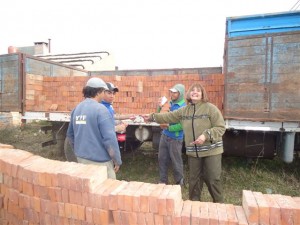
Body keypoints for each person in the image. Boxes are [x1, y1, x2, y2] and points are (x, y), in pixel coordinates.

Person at [143, 83, 226, 203]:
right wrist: (151, 117)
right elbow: (168, 117)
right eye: (193, 90)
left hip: (211, 150)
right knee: (194, 180)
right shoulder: (184, 110)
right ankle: (193, 205)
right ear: (189, 94)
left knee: (213, 179)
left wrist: (205, 135)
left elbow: (220, 127)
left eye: (198, 90)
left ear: (202, 94)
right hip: (193, 151)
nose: (195, 92)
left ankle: (219, 205)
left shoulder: (210, 108)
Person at [66, 77, 122, 179]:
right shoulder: (101, 110)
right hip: (100, 162)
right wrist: (117, 160)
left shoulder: (77, 109)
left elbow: (70, 135)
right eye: (104, 91)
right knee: (107, 189)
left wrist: (78, 151)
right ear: (99, 92)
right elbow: (110, 139)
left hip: (81, 159)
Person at [157, 84, 186, 186]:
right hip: (164, 136)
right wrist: (159, 107)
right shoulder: (169, 103)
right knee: (162, 158)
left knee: (176, 160)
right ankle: (163, 180)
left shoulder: (183, 107)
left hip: (176, 138)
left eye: (175, 92)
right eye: (171, 92)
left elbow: (182, 125)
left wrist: (169, 127)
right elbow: (160, 116)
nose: (172, 94)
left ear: (180, 93)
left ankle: (179, 182)